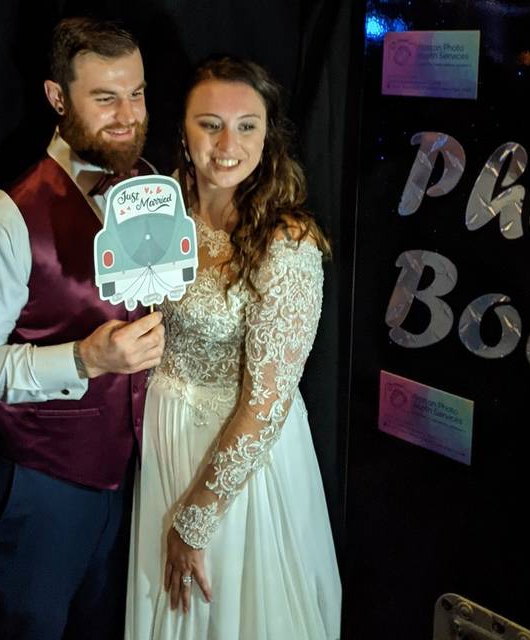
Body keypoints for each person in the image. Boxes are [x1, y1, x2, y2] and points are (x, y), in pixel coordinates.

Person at [0, 17, 164, 640]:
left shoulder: (153, 186)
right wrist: (84, 359)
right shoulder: (3, 216)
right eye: (105, 98)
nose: (127, 115)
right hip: (39, 492)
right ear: (56, 98)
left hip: (133, 485)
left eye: (138, 93)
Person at [125, 56, 342, 639]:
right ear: (183, 129)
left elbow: (268, 402)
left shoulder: (286, 242)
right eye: (209, 123)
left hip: (238, 465)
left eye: (247, 125)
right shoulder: (159, 212)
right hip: (165, 436)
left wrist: (196, 518)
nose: (228, 144)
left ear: (269, 134)